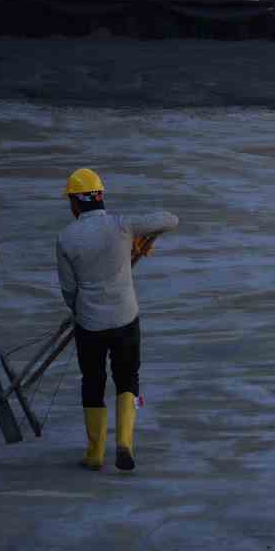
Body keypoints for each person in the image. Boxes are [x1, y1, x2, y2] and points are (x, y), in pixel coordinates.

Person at [56, 168, 178, 473]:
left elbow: (69, 289)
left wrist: (78, 311)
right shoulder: (121, 225)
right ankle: (125, 442)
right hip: (125, 317)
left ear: (74, 203)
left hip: (90, 323)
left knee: (93, 382)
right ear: (101, 197)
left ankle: (95, 452)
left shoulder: (67, 238)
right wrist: (137, 238)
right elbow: (170, 219)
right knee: (128, 380)